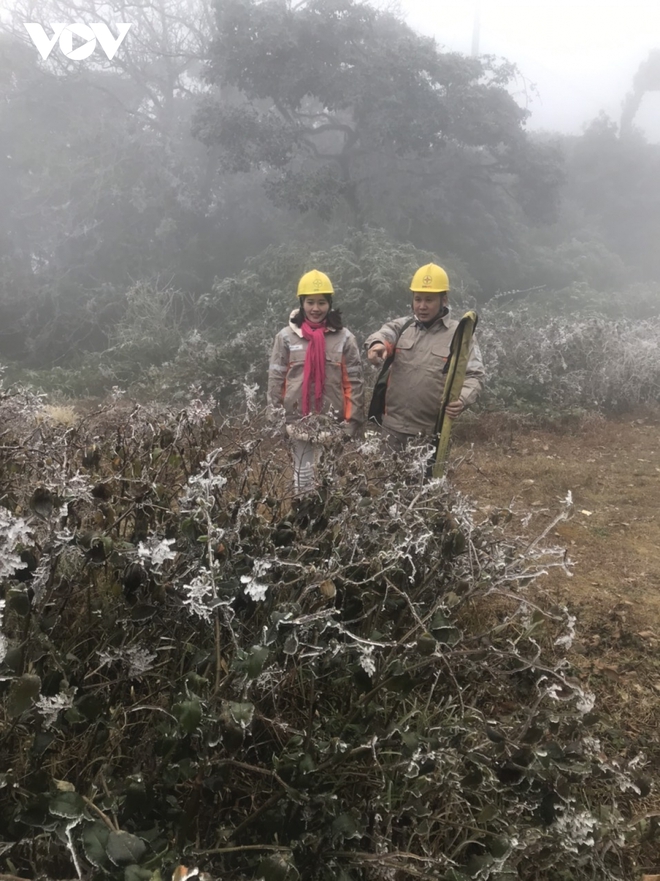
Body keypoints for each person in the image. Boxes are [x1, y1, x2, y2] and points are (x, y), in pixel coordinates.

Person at [365, 262, 485, 452]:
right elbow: (384, 334)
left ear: (443, 299)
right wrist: (377, 345)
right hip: (391, 428)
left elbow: (474, 375)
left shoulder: (460, 335)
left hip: (429, 432)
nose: (422, 306)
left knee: (422, 481)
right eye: (418, 299)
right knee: (386, 481)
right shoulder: (403, 326)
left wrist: (462, 400)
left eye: (429, 300)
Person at [268, 269, 365, 496]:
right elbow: (276, 379)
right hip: (297, 421)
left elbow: (354, 383)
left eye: (321, 302)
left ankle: (327, 523)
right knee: (302, 477)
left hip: (333, 423)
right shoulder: (285, 337)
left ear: (329, 304)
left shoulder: (345, 339)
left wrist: (351, 422)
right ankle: (303, 521)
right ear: (301, 303)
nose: (315, 308)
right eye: (310, 302)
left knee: (328, 478)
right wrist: (276, 417)